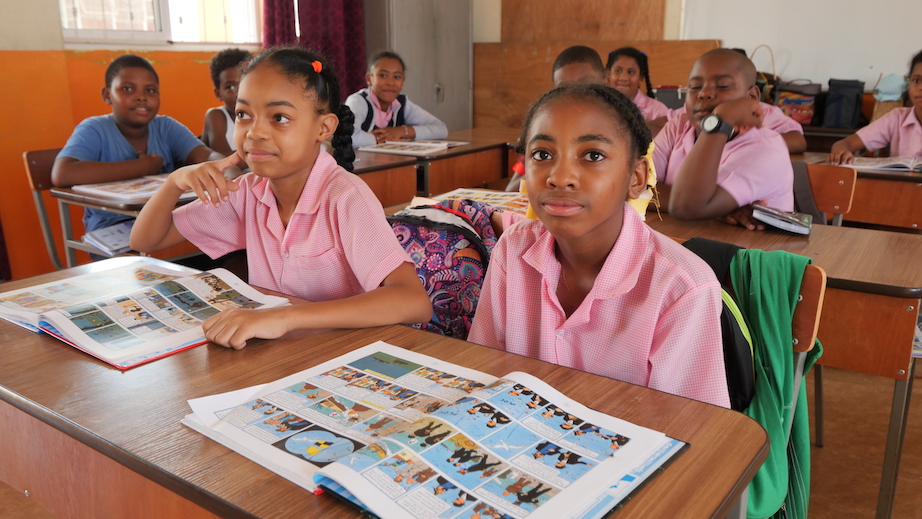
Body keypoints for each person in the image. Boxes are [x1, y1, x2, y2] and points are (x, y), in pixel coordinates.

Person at [129, 47, 432, 349]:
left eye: (279, 117)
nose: (254, 132)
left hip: (347, 353)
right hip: (283, 354)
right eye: (244, 114)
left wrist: (287, 317)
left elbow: (413, 301)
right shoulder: (247, 192)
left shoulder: (345, 196)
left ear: (323, 127)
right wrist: (173, 184)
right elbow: (145, 241)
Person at [468, 83, 730, 408]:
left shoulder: (682, 288)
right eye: (542, 154)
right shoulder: (513, 249)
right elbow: (485, 367)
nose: (560, 177)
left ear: (636, 178)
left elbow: (690, 428)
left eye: (593, 155)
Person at [52, 54, 227, 236]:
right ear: (107, 95)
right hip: (112, 228)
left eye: (150, 91)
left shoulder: (166, 127)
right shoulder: (94, 129)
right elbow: (62, 174)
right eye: (128, 89)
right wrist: (142, 166)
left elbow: (205, 155)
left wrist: (223, 167)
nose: (141, 97)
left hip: (166, 223)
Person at [652, 49, 794, 229]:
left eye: (723, 86)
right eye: (695, 87)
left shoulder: (766, 149)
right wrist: (714, 206)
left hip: (751, 254)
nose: (704, 94)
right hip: (688, 241)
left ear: (751, 98)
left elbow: (686, 207)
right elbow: (629, 187)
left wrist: (720, 121)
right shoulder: (679, 127)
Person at [829, 49, 922, 164]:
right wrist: (841, 153)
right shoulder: (897, 117)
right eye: (916, 80)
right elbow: (844, 144)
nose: (920, 88)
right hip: (902, 182)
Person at [345, 51, 447, 147]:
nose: (390, 83)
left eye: (397, 77)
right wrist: (382, 139)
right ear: (369, 79)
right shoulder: (358, 102)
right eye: (383, 75)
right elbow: (347, 135)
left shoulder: (401, 103)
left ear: (403, 82)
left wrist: (401, 131)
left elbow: (441, 129)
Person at [604, 47, 669, 135]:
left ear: (641, 76)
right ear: (608, 74)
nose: (623, 78)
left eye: (631, 72)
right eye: (618, 71)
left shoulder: (657, 110)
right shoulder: (599, 105)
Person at [202, 48, 252, 156]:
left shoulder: (262, 116)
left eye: (244, 84)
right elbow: (224, 159)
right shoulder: (216, 116)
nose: (239, 92)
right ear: (218, 94)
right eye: (230, 87)